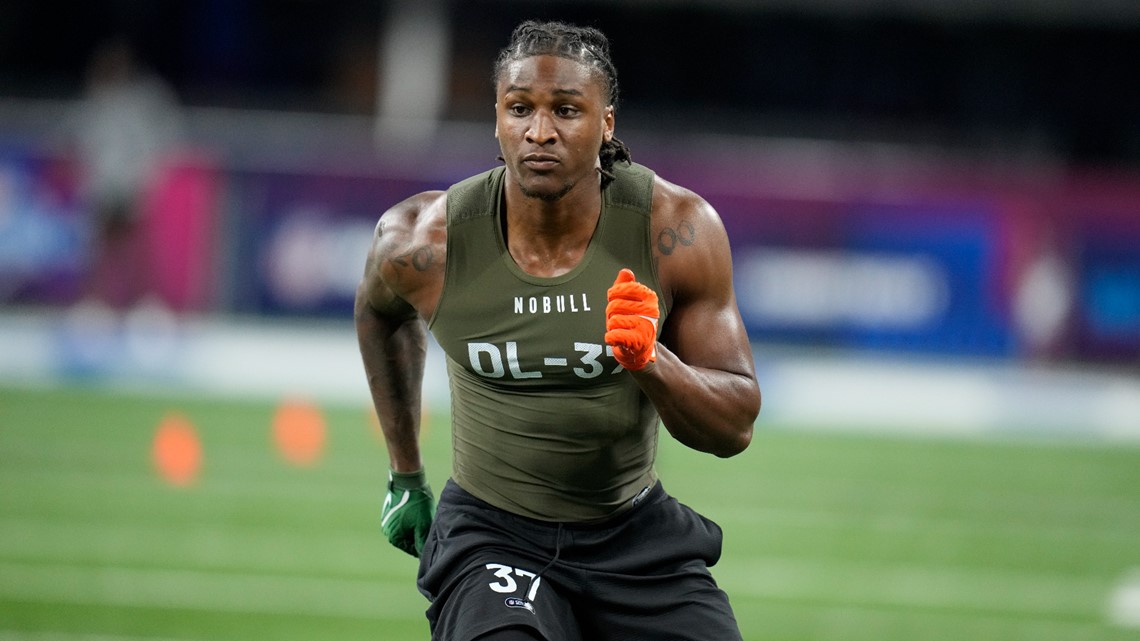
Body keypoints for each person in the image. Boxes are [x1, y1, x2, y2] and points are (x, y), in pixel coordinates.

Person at [355, 20, 761, 641]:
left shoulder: (675, 230)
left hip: (633, 537)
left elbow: (734, 428)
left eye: (566, 110)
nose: (539, 132)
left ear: (607, 124)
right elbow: (379, 314)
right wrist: (404, 472)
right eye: (520, 109)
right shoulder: (422, 242)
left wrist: (652, 360)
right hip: (492, 537)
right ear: (496, 119)